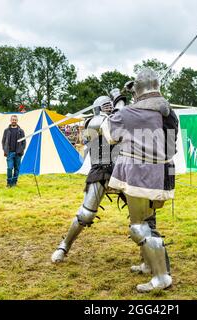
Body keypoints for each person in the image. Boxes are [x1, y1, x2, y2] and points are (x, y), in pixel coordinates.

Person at [101, 68, 178, 292]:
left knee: (139, 227)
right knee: (149, 222)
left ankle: (161, 277)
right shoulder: (169, 112)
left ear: (138, 91)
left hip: (141, 175)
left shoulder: (131, 113)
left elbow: (110, 133)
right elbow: (171, 147)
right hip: (164, 173)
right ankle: (148, 264)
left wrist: (119, 103)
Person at [51, 95, 121, 264]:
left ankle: (148, 256)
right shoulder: (93, 122)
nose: (109, 108)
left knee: (142, 214)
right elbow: (108, 125)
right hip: (101, 171)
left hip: (121, 171)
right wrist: (120, 105)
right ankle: (64, 245)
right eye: (106, 106)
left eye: (111, 106)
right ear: (98, 108)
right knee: (86, 214)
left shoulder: (117, 120)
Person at [2, 115, 26, 187]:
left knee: (17, 168)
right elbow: (3, 141)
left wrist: (21, 150)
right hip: (9, 153)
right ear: (10, 120)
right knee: (9, 168)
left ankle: (14, 183)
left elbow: (24, 142)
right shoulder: (6, 130)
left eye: (15, 120)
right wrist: (5, 149)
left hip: (18, 153)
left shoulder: (21, 131)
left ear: (17, 121)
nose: (14, 121)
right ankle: (9, 183)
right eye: (13, 120)